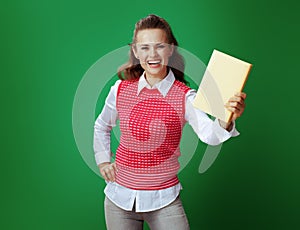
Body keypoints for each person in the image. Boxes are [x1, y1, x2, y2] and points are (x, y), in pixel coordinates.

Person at [93, 14, 246, 230]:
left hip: (164, 200)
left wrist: (226, 119)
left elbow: (209, 135)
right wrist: (102, 161)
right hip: (119, 199)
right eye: (145, 48)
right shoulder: (119, 90)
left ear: (170, 49)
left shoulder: (185, 97)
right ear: (136, 52)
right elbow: (102, 126)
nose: (152, 55)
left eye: (160, 46)